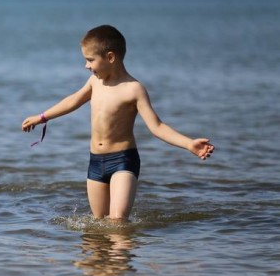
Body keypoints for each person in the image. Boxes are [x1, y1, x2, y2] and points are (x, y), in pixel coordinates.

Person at [22, 25, 214, 222]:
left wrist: (188, 144)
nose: (86, 66)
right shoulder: (94, 82)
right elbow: (73, 101)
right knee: (98, 224)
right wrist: (42, 117)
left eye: (90, 60)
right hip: (95, 162)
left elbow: (157, 126)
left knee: (118, 222)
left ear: (110, 57)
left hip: (123, 161)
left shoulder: (133, 89)